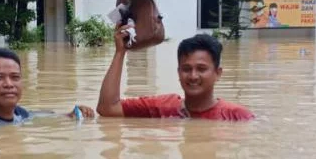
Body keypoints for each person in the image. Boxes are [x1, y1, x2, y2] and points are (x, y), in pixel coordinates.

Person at [96, 29, 254, 121]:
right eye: (186, 69)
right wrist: (120, 52)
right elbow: (107, 108)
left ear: (217, 73)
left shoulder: (237, 116)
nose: (193, 76)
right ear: (178, 72)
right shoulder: (161, 108)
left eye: (201, 68)